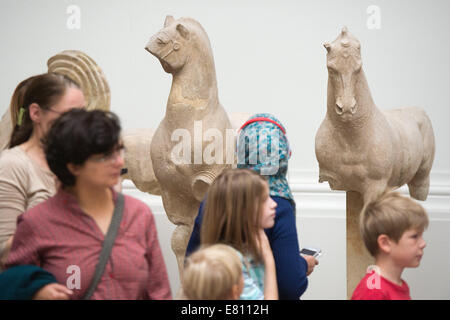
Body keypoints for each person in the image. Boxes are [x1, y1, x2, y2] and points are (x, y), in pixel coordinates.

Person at [5, 109, 172, 300]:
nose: (119, 162)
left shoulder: (139, 214)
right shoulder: (36, 223)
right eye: (105, 156)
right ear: (73, 166)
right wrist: (36, 292)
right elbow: (14, 287)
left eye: (119, 150)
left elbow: (160, 292)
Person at [186, 113, 317, 299]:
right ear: (284, 152)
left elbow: (191, 262)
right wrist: (303, 264)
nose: (270, 203)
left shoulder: (214, 197)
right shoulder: (280, 204)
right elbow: (290, 285)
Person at [0, 73, 85, 269]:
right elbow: (4, 254)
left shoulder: (79, 165)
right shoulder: (12, 165)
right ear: (36, 113)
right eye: (69, 115)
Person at [200, 168, 278, 300]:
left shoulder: (250, 246)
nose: (274, 204)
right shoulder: (230, 260)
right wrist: (269, 258)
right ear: (242, 210)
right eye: (264, 200)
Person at [351, 191, 429, 300]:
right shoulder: (373, 291)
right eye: (415, 236)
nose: (423, 244)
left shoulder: (399, 285)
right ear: (385, 243)